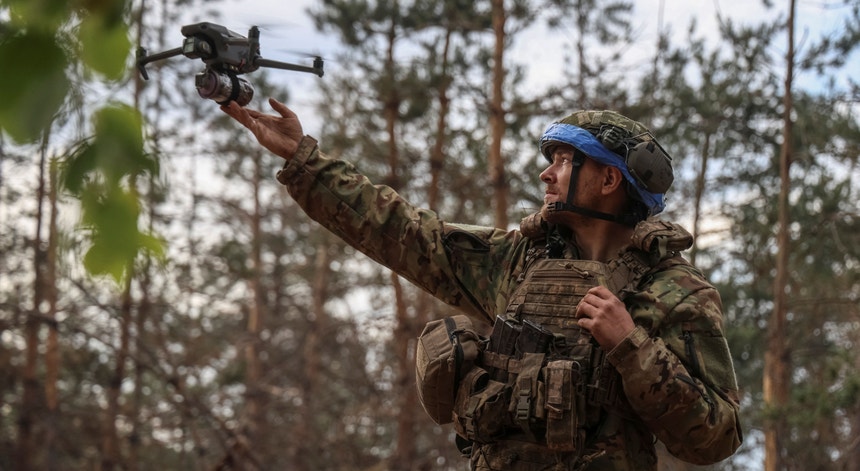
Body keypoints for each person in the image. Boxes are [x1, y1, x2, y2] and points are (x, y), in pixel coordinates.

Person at [222, 98, 743, 470]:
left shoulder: (675, 291)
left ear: (609, 181)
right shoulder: (516, 261)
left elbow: (717, 436)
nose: (546, 174)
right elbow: (402, 230)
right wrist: (303, 160)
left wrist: (630, 346)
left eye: (565, 160)